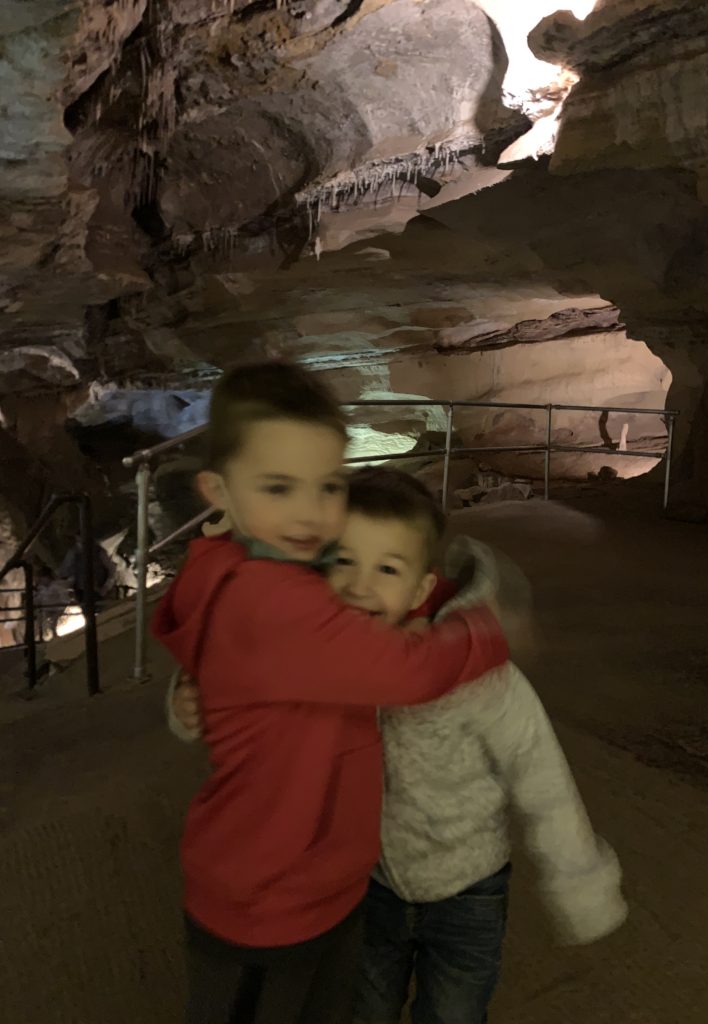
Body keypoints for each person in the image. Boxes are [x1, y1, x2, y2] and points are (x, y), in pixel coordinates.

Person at [170, 466, 627, 1024]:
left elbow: (541, 776)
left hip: (468, 892)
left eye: (387, 568)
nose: (361, 585)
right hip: (371, 888)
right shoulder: (319, 658)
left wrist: (579, 878)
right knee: (367, 1011)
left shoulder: (481, 679)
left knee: (453, 1013)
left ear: (421, 587)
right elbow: (246, 689)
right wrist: (187, 702)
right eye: (343, 561)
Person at [151, 363, 508, 1024]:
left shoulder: (247, 563)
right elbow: (411, 671)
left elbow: (235, 656)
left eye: (330, 486)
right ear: (217, 492)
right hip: (270, 906)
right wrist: (487, 625)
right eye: (279, 487)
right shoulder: (271, 598)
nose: (312, 515)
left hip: (304, 885)